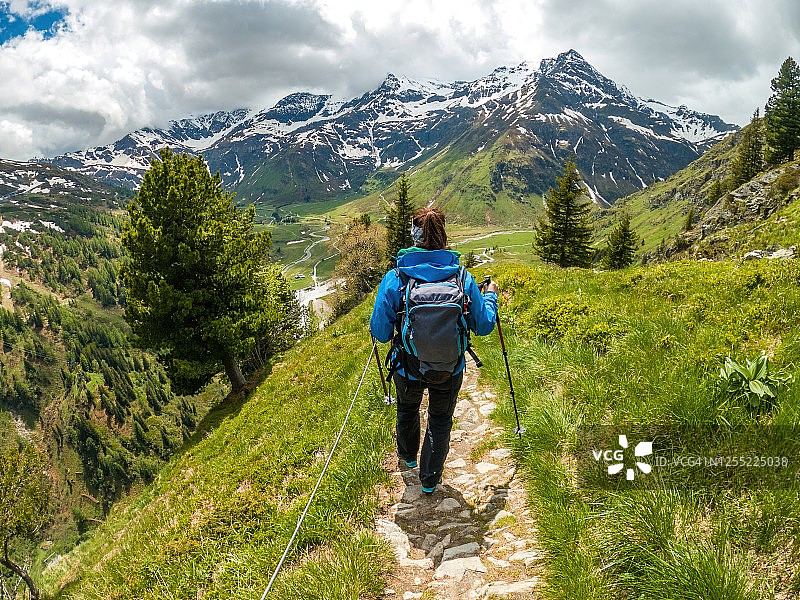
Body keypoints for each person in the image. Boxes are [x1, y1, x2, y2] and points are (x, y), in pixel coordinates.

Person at [370, 207, 499, 494]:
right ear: (444, 236)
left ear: (414, 237)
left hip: (407, 365)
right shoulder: (461, 277)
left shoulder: (396, 277)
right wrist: (491, 296)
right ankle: (429, 480)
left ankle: (406, 457)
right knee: (440, 420)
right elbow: (484, 324)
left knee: (407, 408)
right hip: (449, 367)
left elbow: (379, 332)